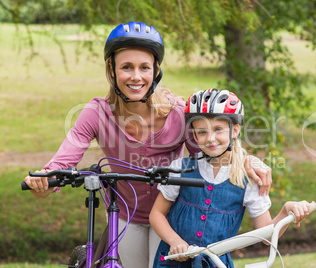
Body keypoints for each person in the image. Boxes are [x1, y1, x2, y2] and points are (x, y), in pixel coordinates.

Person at [24, 22, 272, 268]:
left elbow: (212, 152)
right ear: (111, 70)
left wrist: (248, 160)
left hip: (169, 217)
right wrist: (44, 180)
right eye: (126, 67)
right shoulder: (96, 113)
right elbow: (60, 164)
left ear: (156, 71)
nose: (136, 76)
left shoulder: (177, 113)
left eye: (144, 67)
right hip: (125, 215)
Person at [150, 88, 310, 268]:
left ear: (235, 130)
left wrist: (286, 210)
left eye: (218, 129)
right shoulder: (181, 168)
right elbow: (156, 214)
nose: (210, 138)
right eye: (202, 132)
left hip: (216, 264)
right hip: (173, 262)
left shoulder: (248, 179)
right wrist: (174, 241)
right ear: (194, 135)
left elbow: (266, 237)